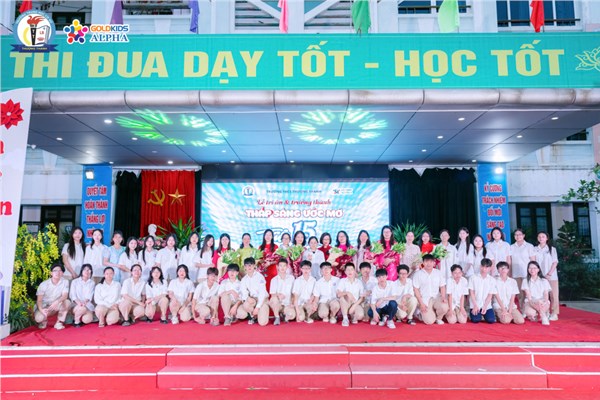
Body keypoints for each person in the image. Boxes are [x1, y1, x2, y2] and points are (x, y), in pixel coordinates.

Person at [413, 254, 449, 325]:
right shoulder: (418, 274)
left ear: (434, 263)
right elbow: (416, 289)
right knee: (429, 321)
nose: (428, 264)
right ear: (423, 263)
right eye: (426, 261)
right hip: (425, 299)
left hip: (436, 297)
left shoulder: (438, 273)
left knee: (444, 306)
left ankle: (438, 318)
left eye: (431, 261)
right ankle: (421, 313)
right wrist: (421, 303)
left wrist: (443, 297)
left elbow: (442, 286)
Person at [35, 263, 70, 330]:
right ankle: (44, 321)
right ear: (51, 273)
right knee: (39, 318)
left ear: (62, 273)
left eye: (60, 271)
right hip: (45, 306)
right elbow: (39, 300)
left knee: (67, 302)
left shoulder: (65, 282)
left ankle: (59, 322)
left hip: (56, 305)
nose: (57, 273)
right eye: (55, 271)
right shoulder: (44, 284)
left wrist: (57, 302)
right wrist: (42, 310)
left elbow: (65, 296)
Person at [534, 231, 559, 321]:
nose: (541, 238)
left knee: (553, 295)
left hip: (551, 276)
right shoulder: (534, 249)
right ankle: (545, 312)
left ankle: (554, 313)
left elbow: (555, 262)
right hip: (539, 277)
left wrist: (549, 274)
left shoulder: (552, 249)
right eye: (539, 237)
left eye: (543, 236)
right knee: (542, 295)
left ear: (547, 238)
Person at [237, 257, 269, 326]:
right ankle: (253, 316)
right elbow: (243, 292)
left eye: (250, 265)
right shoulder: (244, 279)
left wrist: (257, 307)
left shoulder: (260, 277)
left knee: (262, 323)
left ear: (254, 266)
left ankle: (259, 312)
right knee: (245, 306)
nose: (249, 267)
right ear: (244, 267)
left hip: (262, 300)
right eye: (246, 265)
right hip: (252, 300)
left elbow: (262, 293)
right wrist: (247, 298)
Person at [510, 228, 535, 309]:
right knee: (520, 294)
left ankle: (531, 310)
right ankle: (522, 310)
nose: (518, 236)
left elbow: (533, 260)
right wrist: (510, 273)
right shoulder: (511, 247)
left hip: (527, 273)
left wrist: (533, 272)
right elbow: (510, 261)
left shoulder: (529, 246)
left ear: (523, 235)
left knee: (528, 293)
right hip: (516, 273)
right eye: (516, 235)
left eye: (520, 234)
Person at [521, 260, 551, 326]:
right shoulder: (525, 281)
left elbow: (546, 294)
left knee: (540, 302)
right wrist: (535, 304)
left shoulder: (544, 281)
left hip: (543, 302)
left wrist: (545, 302)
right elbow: (529, 297)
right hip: (531, 302)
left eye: (534, 268)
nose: (532, 270)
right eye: (530, 268)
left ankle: (542, 315)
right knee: (531, 313)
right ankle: (543, 314)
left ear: (538, 270)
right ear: (528, 269)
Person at [468, 258, 497, 324]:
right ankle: (474, 314)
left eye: (486, 267)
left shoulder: (492, 280)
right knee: (476, 320)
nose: (484, 269)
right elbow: (471, 293)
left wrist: (485, 307)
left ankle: (484, 314)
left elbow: (490, 295)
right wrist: (475, 305)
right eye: (482, 266)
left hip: (486, 305)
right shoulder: (473, 278)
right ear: (480, 266)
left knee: (491, 320)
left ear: (490, 268)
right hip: (475, 304)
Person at [269, 258, 296, 325]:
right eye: (280, 266)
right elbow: (272, 294)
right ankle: (277, 317)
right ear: (277, 267)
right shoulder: (274, 280)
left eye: (284, 266)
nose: (282, 268)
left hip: (287, 304)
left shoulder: (291, 278)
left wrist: (292, 303)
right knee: (274, 299)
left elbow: (293, 293)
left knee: (292, 315)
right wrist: (278, 295)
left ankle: (284, 315)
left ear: (287, 267)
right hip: (278, 304)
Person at [69, 263, 95, 327]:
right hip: (76, 305)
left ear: (91, 272)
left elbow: (89, 296)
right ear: (81, 271)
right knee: (81, 308)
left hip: (87, 305)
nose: (87, 271)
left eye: (89, 270)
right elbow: (73, 295)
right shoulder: (75, 281)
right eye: (85, 269)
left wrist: (84, 303)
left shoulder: (92, 283)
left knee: (87, 320)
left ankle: (79, 317)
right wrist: (79, 303)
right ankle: (76, 321)